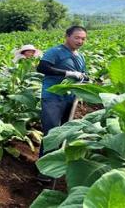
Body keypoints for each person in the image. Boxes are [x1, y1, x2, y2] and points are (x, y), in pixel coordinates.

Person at [36, 26, 88, 160]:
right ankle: (45, 169)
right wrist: (67, 73)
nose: (80, 41)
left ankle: (56, 163)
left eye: (83, 39)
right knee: (52, 132)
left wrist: (84, 78)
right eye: (77, 37)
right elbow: (42, 67)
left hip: (71, 98)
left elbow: (83, 74)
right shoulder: (56, 51)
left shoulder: (80, 56)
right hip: (53, 97)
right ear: (67, 36)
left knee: (64, 131)